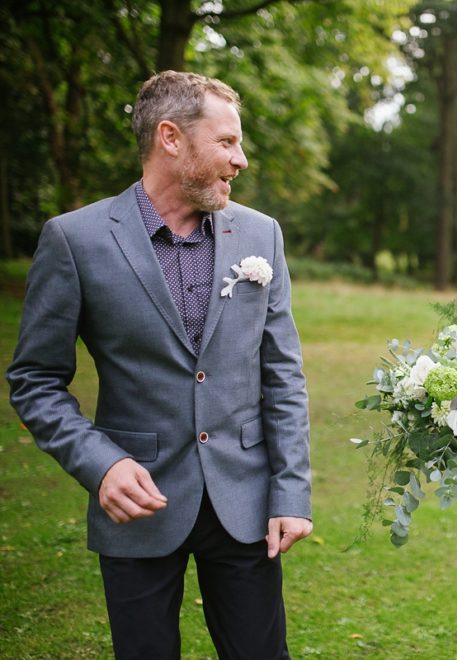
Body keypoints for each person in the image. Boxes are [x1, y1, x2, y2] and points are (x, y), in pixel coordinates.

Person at [6, 71, 312, 659]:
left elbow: (283, 375)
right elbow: (34, 379)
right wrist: (101, 465)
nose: (241, 159)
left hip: (243, 502)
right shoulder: (75, 240)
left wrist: (291, 493)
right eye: (226, 143)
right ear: (171, 138)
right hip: (137, 502)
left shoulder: (260, 234)